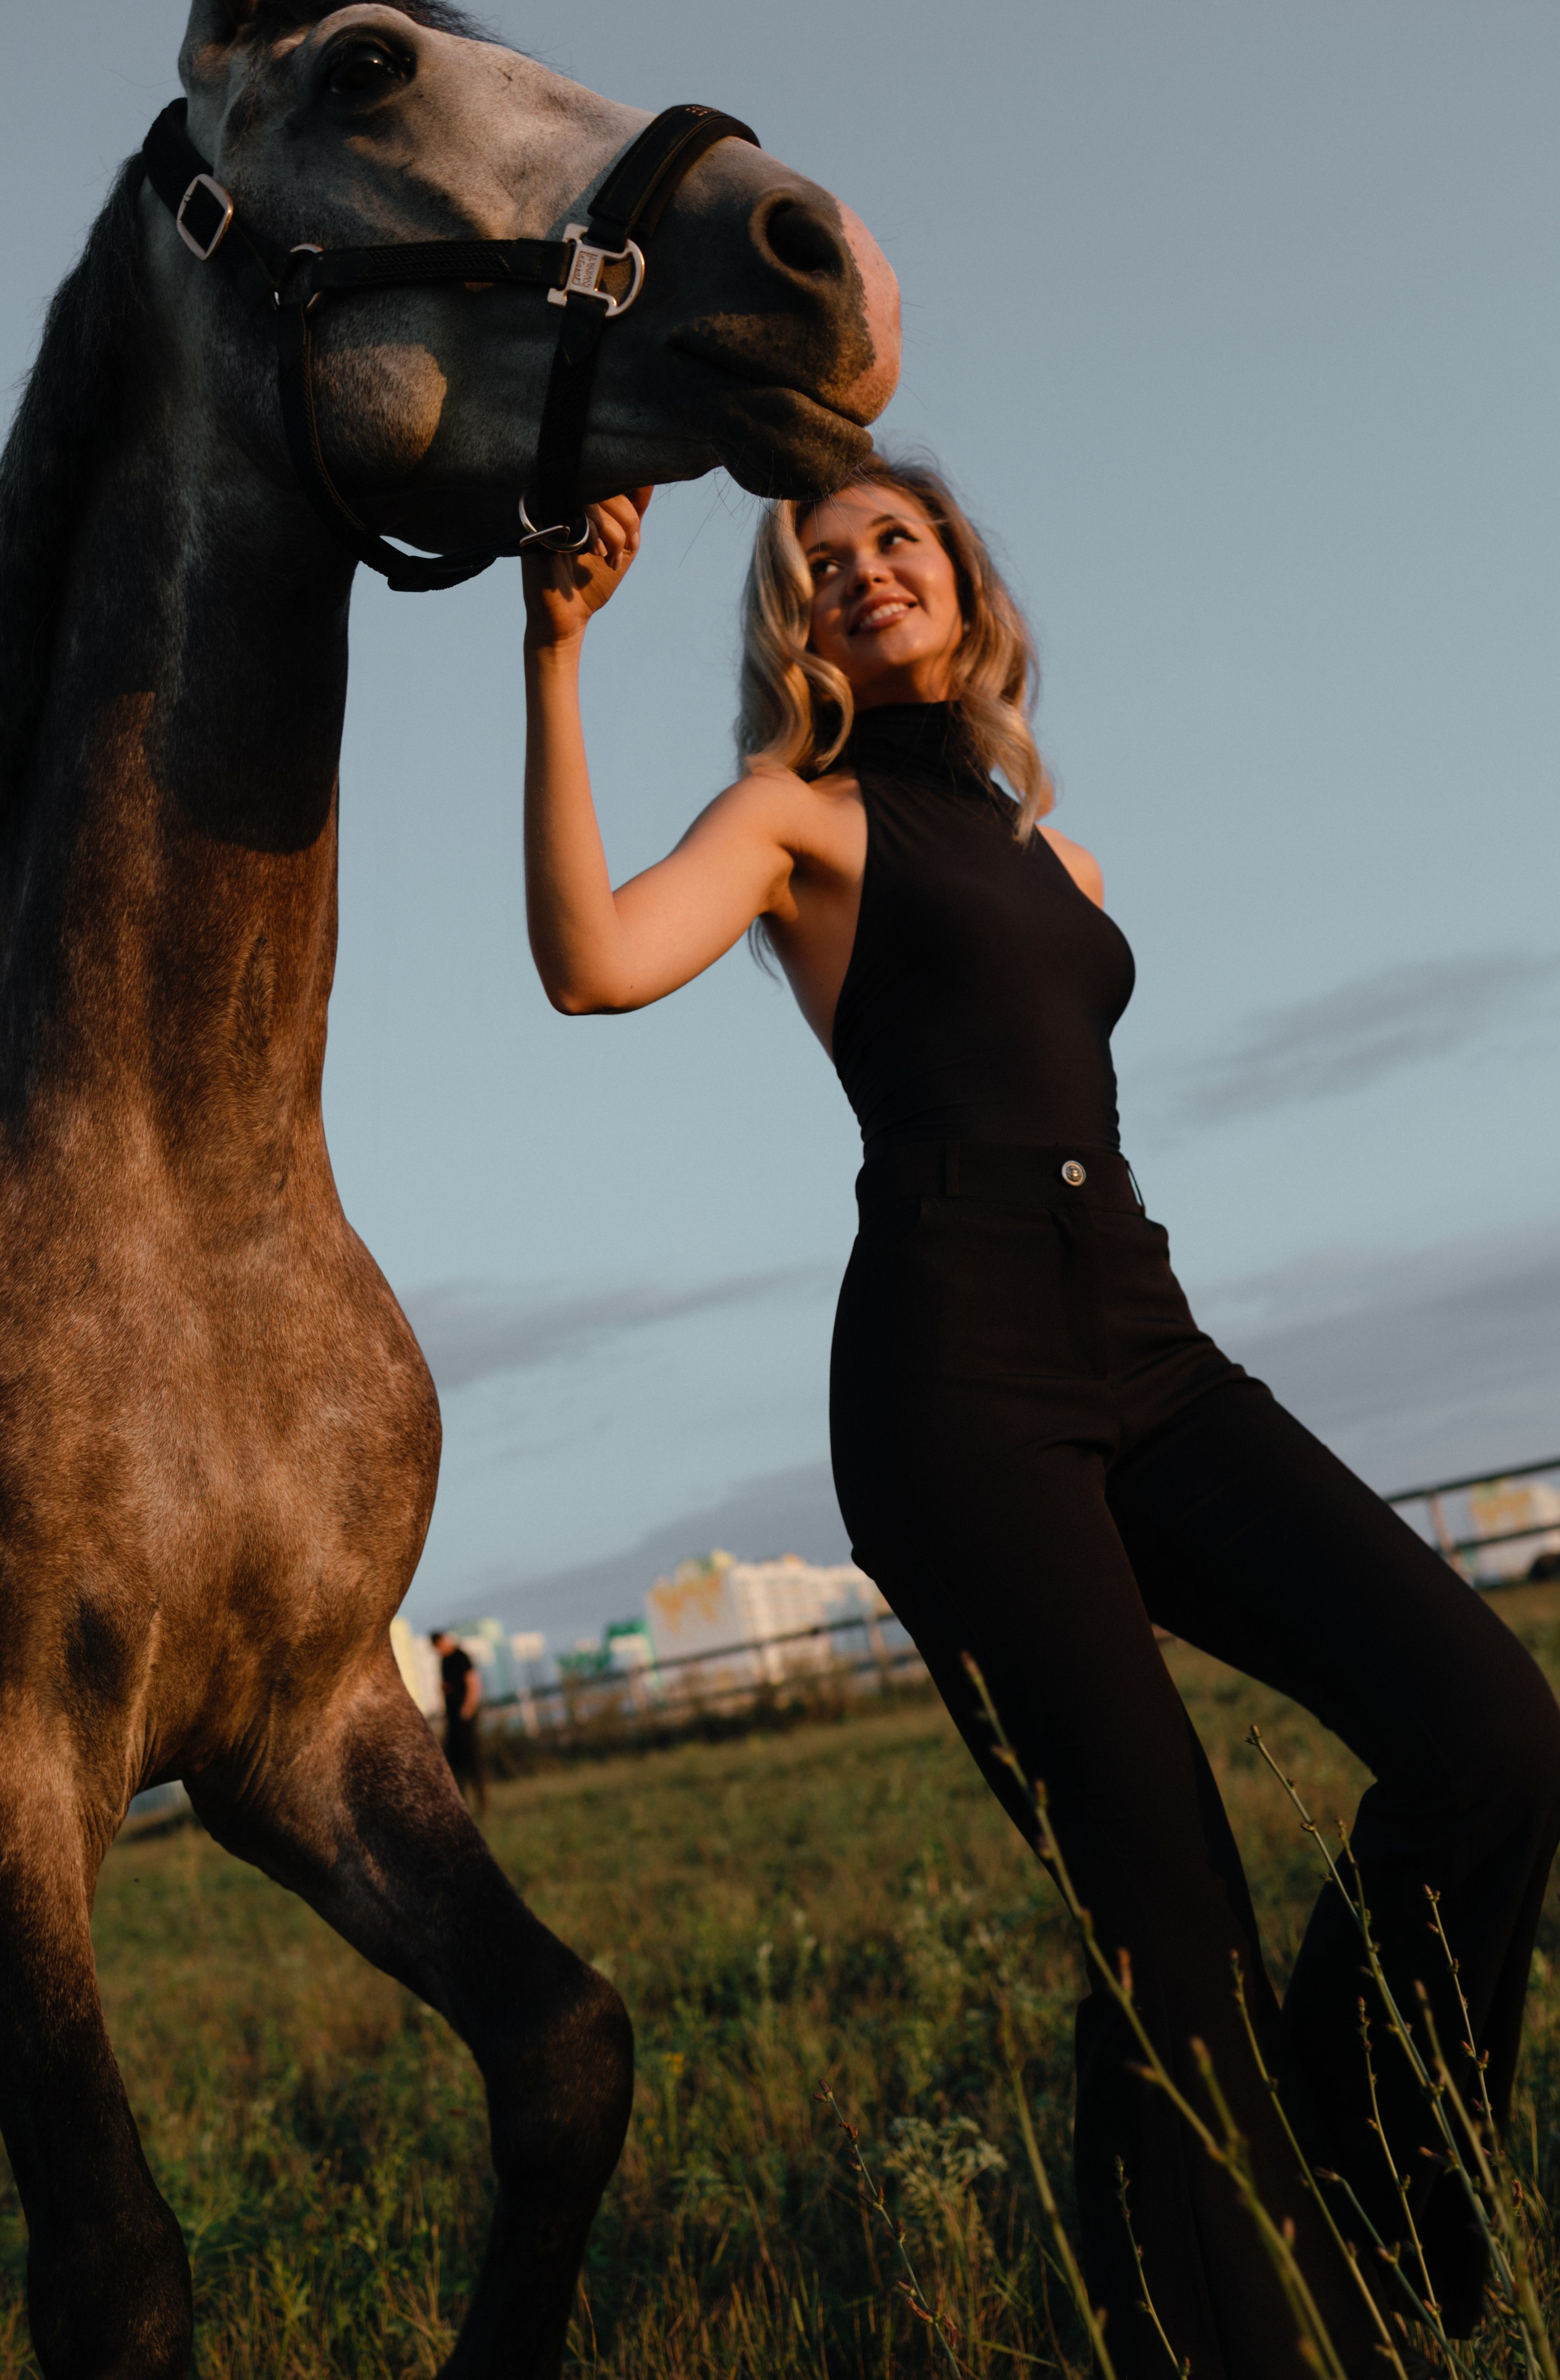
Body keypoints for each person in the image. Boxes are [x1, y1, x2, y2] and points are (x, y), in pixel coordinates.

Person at [517, 454, 1560, 2378]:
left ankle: (1375, 2210)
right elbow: (591, 962)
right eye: (816, 563)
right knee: (1164, 1891)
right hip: (950, 1367)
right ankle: (1231, 2333)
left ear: (963, 578)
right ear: (793, 625)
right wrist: (552, 655)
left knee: (1491, 1728)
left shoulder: (1056, 854)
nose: (859, 569)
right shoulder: (794, 816)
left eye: (892, 538)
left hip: (1145, 1342)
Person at [432, 1629, 487, 1817]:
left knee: (472, 1761)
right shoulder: (444, 1661)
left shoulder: (461, 1656)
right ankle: (463, 1805)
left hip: (465, 1718)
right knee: (455, 1763)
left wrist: (467, 1710)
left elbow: (473, 1683)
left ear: (442, 1642)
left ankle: (482, 1803)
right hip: (453, 1718)